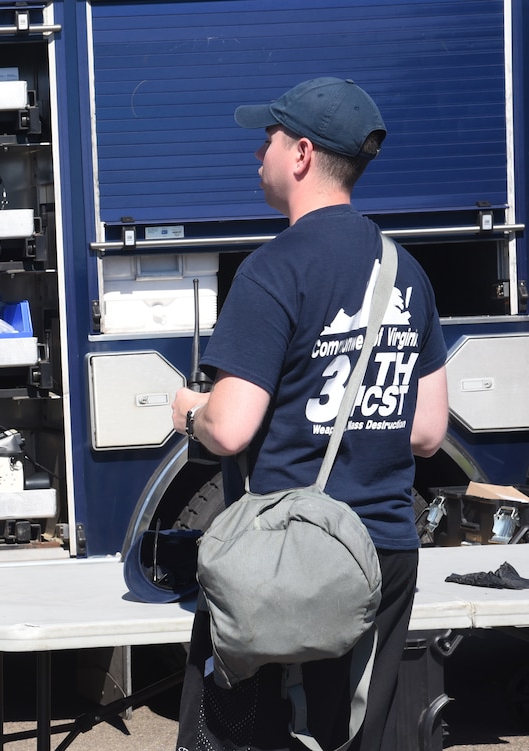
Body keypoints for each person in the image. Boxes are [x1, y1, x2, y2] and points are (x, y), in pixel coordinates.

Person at [170, 77, 449, 750]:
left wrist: (189, 412)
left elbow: (232, 427)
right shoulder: (404, 268)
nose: (257, 152)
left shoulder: (272, 269)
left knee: (252, 735)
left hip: (286, 560)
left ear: (299, 154)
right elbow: (427, 431)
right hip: (381, 553)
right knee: (353, 735)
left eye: (266, 138)